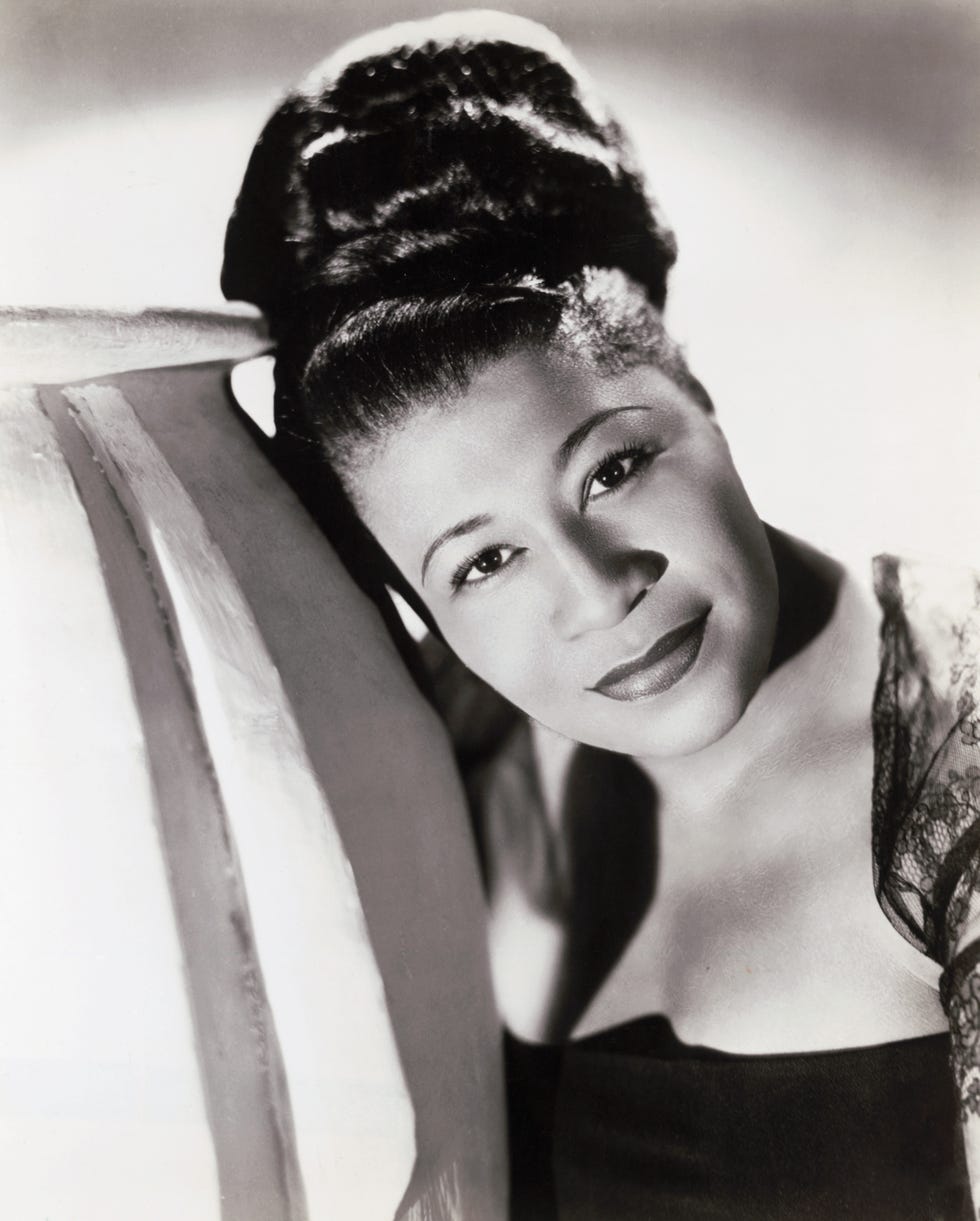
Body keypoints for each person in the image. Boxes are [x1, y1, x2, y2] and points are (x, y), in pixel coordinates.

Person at [221, 11, 980, 1218]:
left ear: (688, 378)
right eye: (482, 565)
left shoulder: (962, 738)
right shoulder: (437, 761)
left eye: (612, 470)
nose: (596, 593)